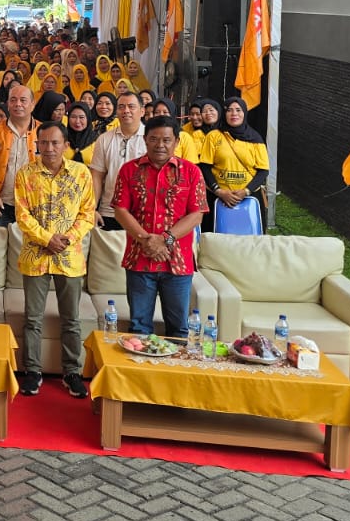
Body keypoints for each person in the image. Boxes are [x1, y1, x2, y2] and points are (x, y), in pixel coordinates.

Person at [13, 122, 97, 397]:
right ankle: (32, 371)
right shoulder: (25, 174)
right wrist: (47, 238)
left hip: (69, 256)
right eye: (44, 143)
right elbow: (22, 216)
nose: (49, 148)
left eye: (55, 143)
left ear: (66, 145)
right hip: (35, 255)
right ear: (36, 144)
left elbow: (87, 213)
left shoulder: (81, 173)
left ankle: (72, 372)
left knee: (71, 319)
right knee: (32, 319)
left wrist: (67, 239)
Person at [111, 115, 208, 337]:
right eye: (154, 139)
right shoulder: (129, 170)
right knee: (139, 328)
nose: (160, 145)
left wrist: (165, 239)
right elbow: (120, 210)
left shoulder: (191, 172)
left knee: (178, 329)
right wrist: (147, 240)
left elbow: (196, 215)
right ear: (145, 140)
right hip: (139, 259)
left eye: (166, 140)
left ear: (177, 141)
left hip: (178, 262)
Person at [198, 97, 269, 228]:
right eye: (229, 110)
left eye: (238, 110)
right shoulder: (213, 136)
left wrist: (246, 191)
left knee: (250, 236)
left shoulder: (256, 139)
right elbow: (205, 167)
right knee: (213, 236)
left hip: (249, 197)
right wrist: (219, 191)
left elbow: (263, 170)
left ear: (244, 113)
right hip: (216, 197)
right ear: (224, 113)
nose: (234, 114)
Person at [0, 83, 38, 225]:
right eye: (13, 100)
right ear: (8, 104)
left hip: (33, 204)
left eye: (23, 100)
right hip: (1, 203)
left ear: (32, 104)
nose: (18, 104)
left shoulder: (43, 132)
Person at [87, 92, 146, 230]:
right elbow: (97, 176)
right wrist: (92, 208)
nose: (126, 110)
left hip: (143, 212)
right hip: (110, 211)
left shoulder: (151, 138)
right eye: (121, 107)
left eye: (131, 106)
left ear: (142, 111)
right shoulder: (104, 139)